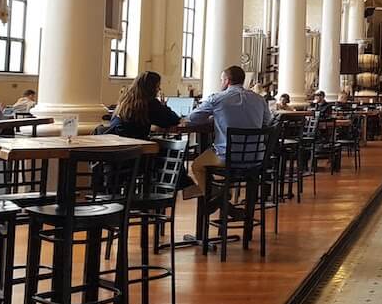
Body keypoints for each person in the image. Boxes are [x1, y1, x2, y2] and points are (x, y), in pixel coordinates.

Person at [183, 65, 272, 208]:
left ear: (227, 81)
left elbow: (193, 118)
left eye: (221, 80)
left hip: (227, 157)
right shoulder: (259, 99)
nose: (220, 83)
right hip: (256, 157)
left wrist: (215, 117)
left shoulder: (217, 99)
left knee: (197, 165)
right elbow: (267, 122)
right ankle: (222, 201)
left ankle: (219, 199)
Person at [106, 71, 183, 140]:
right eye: (157, 86)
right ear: (151, 88)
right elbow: (172, 119)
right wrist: (164, 105)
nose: (159, 89)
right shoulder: (149, 103)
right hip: (134, 145)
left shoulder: (125, 100)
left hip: (117, 141)